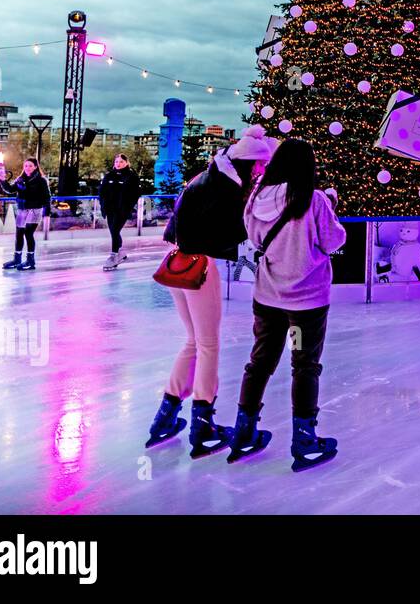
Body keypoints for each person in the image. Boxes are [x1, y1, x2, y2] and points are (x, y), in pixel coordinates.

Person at [146, 125, 274, 458]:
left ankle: (165, 416)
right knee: (208, 345)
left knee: (193, 341)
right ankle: (202, 423)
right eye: (259, 165)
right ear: (248, 162)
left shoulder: (206, 177)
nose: (261, 171)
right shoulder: (225, 188)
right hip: (198, 268)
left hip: (176, 264)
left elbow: (181, 225)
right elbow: (237, 232)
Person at [231, 138, 347, 471]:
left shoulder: (256, 197)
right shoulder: (314, 200)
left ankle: (244, 430)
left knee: (261, 360)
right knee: (304, 364)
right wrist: (332, 208)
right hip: (304, 304)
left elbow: (253, 239)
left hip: (268, 298)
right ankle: (304, 438)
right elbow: (334, 240)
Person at [0, 158, 50, 271]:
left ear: (36, 167)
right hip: (22, 209)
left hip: (35, 210)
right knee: (19, 234)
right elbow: (10, 189)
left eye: (30, 166)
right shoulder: (20, 179)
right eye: (26, 165)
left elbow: (47, 197)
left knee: (28, 233)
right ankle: (17, 259)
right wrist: (3, 181)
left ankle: (30, 261)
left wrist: (47, 212)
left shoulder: (41, 180)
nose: (28, 168)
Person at [99, 153, 141, 271]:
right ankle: (120, 252)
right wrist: (103, 205)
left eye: (121, 162)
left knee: (115, 230)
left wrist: (128, 206)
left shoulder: (132, 176)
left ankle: (113, 255)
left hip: (122, 209)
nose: (118, 164)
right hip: (109, 209)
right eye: (117, 162)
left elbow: (136, 193)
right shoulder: (109, 176)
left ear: (127, 163)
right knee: (113, 231)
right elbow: (102, 192)